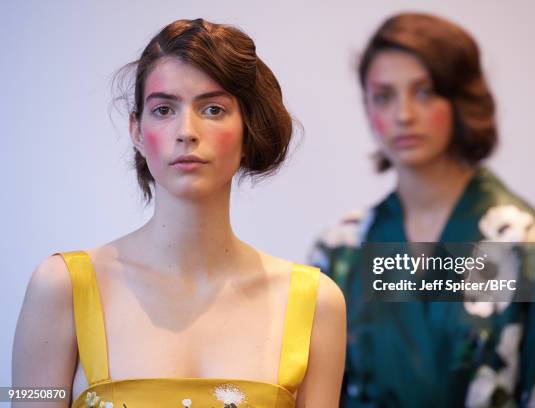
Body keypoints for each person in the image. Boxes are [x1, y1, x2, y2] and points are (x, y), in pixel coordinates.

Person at [13, 18, 346, 408]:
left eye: (213, 109)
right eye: (163, 109)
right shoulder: (59, 287)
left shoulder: (316, 303)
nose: (186, 130)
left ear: (248, 128)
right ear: (137, 130)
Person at [309, 12, 535, 407]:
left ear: (460, 99)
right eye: (384, 96)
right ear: (366, 107)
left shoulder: (531, 246)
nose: (403, 115)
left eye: (425, 91)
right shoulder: (339, 251)